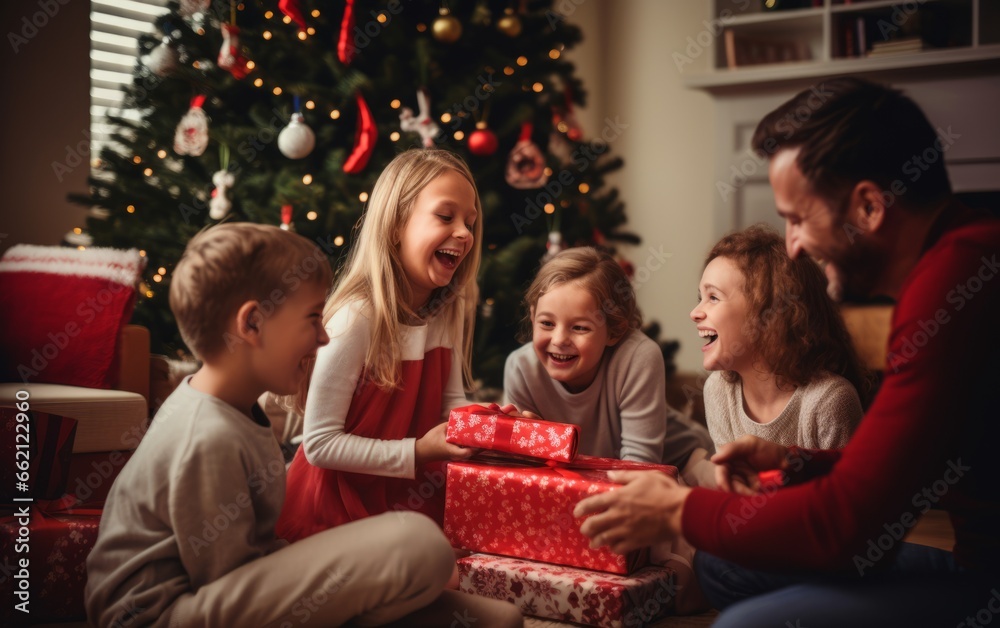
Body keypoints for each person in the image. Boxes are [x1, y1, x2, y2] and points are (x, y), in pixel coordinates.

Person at [573, 77, 1000, 627]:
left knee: (744, 624)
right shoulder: (960, 258)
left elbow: (848, 529)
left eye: (798, 219)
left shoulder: (953, 287)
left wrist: (678, 510)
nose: (792, 245)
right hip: (970, 565)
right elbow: (904, 468)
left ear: (869, 207)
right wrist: (796, 464)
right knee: (725, 564)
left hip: (984, 582)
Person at [85, 223, 522, 627]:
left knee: (498, 620)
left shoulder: (234, 409)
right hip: (164, 614)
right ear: (252, 323)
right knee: (419, 545)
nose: (324, 336)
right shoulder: (206, 436)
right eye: (313, 318)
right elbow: (226, 581)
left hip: (234, 589)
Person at [276, 149, 484, 541]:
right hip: (332, 511)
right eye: (445, 216)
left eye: (469, 222)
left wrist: (493, 426)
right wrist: (420, 451)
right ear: (395, 227)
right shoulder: (357, 318)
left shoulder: (445, 313)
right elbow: (320, 444)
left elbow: (451, 405)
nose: (465, 233)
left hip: (410, 502)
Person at [503, 246, 714, 477]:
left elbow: (638, 469)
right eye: (546, 323)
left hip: (683, 463)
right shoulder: (520, 368)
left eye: (580, 327)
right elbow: (526, 469)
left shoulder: (637, 357)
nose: (559, 339)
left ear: (614, 331)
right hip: (594, 476)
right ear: (533, 316)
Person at [686, 224, 867, 487]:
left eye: (713, 297)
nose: (695, 312)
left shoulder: (830, 401)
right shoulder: (718, 391)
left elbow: (849, 505)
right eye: (700, 297)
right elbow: (736, 493)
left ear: (769, 317)